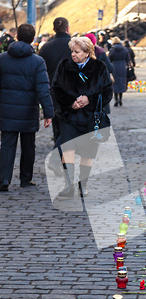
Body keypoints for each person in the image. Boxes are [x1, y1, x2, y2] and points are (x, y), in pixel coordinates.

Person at [52, 37, 112, 197]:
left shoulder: (99, 67)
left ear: (87, 53)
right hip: (68, 116)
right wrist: (70, 102)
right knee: (67, 148)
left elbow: (107, 92)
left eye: (77, 52)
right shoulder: (64, 66)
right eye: (72, 51)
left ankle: (82, 185)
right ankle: (69, 185)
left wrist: (89, 100)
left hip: (90, 118)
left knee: (87, 153)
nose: (73, 54)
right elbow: (56, 88)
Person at [0, 23, 53, 192]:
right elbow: (43, 89)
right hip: (28, 110)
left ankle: (4, 179)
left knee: (7, 145)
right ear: (32, 38)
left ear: (17, 36)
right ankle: (25, 179)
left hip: (6, 109)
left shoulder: (2, 58)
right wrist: (48, 113)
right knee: (28, 145)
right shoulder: (37, 61)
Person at [39, 17, 71, 143]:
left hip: (53, 89)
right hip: (71, 89)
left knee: (57, 120)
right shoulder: (76, 46)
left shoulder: (45, 48)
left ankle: (58, 141)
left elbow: (41, 71)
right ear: (67, 29)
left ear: (54, 29)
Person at [109, 36, 130, 106]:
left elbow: (109, 59)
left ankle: (116, 100)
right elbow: (128, 59)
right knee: (121, 82)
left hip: (114, 66)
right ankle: (120, 99)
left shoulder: (112, 50)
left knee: (115, 82)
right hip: (122, 67)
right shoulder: (125, 49)